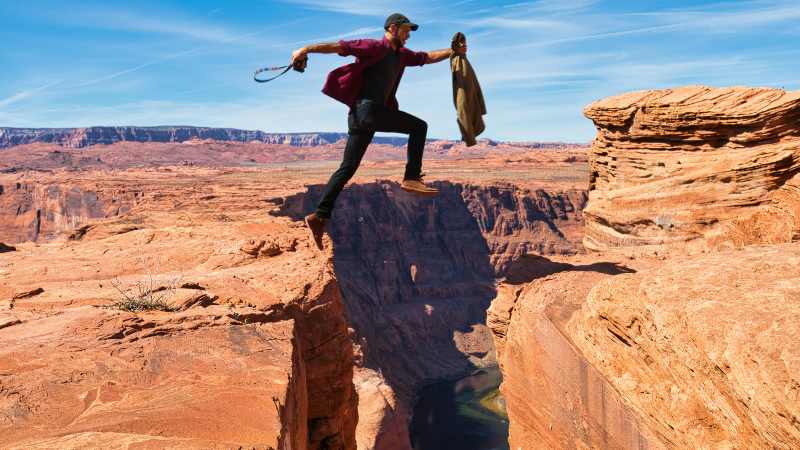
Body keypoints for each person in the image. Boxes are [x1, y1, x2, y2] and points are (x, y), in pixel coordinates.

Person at [291, 13, 467, 251]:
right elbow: (338, 46)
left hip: (360, 117)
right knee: (419, 127)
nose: (408, 35)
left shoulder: (401, 55)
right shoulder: (374, 46)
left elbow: (427, 57)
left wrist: (453, 52)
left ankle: (319, 216)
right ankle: (411, 177)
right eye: (406, 30)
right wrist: (305, 49)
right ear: (393, 28)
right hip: (368, 111)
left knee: (347, 168)